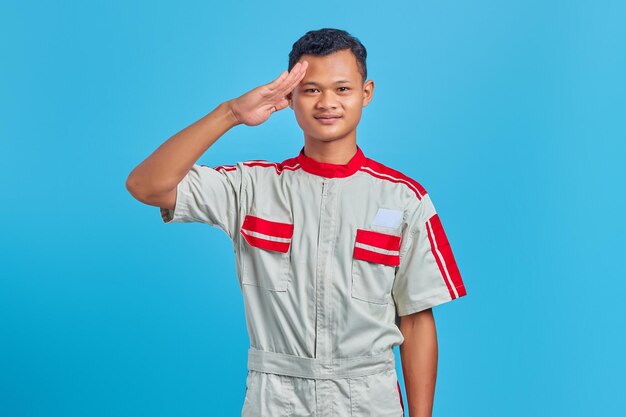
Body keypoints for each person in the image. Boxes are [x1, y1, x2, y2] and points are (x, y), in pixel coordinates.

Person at [126, 28, 467, 417]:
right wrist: (231, 113)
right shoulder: (251, 188)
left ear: (366, 93)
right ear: (289, 97)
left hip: (368, 397)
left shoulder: (404, 199)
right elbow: (146, 185)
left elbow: (417, 318)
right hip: (275, 397)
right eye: (311, 90)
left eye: (342, 89)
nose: (327, 103)